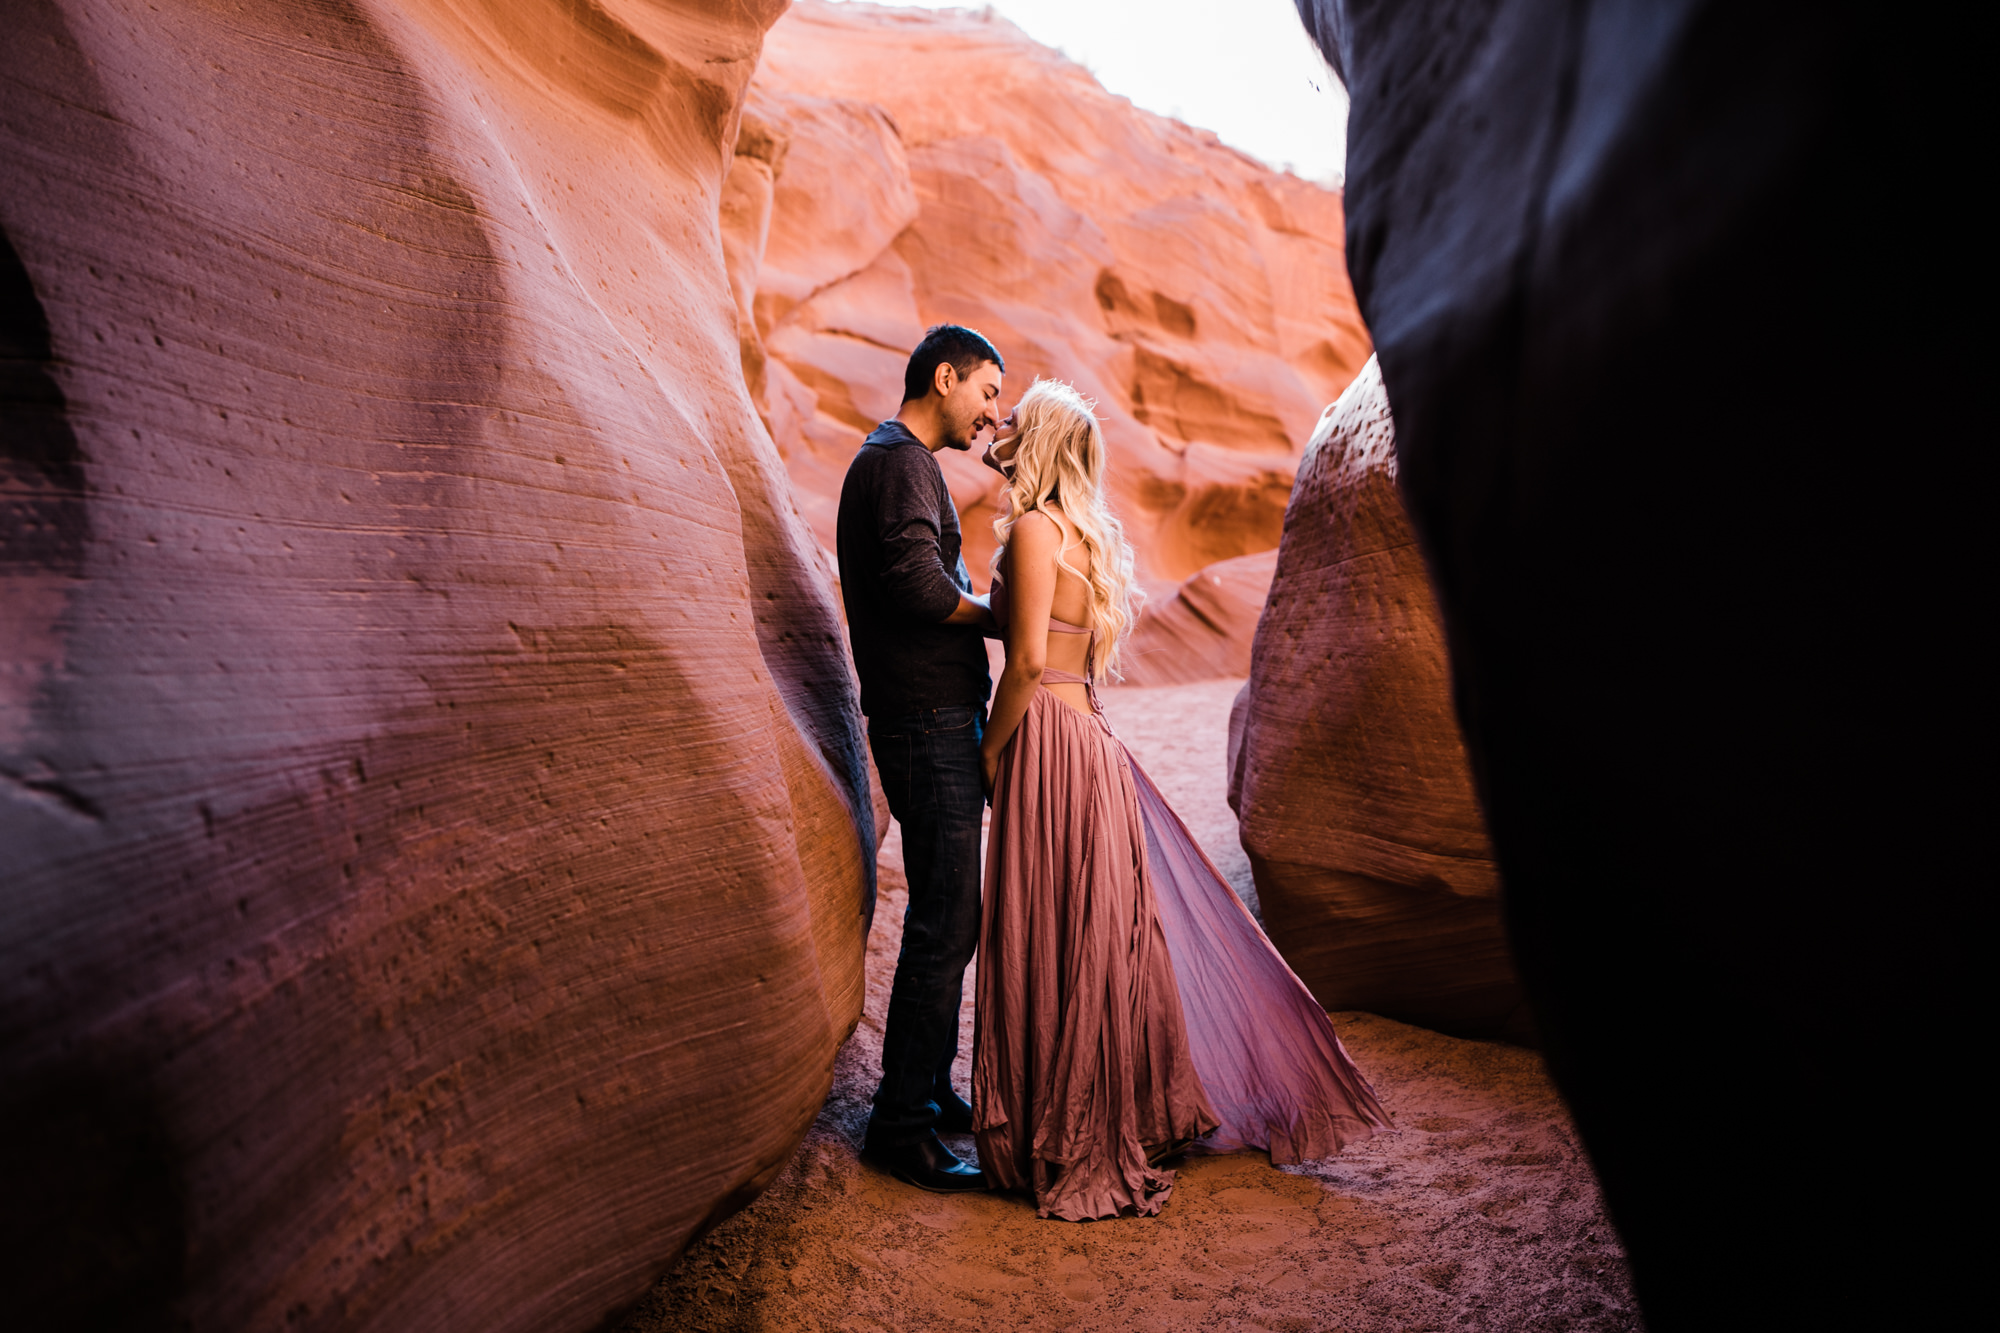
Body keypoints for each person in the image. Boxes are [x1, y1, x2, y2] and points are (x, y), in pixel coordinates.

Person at [972, 379, 1394, 1221]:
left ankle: (1056, 1125)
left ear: (1041, 441)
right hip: (1093, 745)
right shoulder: (1085, 537)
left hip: (1049, 744)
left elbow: (1023, 665)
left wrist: (988, 751)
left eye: (1016, 417)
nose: (1003, 424)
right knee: (1091, 925)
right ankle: (1116, 1105)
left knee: (1046, 921)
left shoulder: (1031, 530)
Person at [837, 324, 1006, 1193]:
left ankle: (927, 1092)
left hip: (930, 716)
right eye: (986, 392)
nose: (990, 414)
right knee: (947, 916)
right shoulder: (901, 461)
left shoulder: (893, 459)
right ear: (944, 377)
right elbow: (913, 585)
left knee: (950, 912)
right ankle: (901, 1126)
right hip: (927, 719)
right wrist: (997, 614)